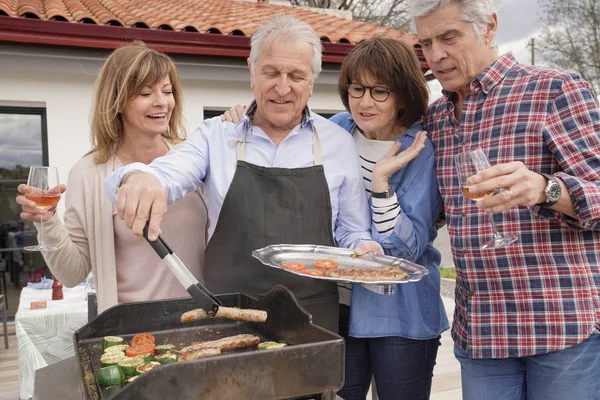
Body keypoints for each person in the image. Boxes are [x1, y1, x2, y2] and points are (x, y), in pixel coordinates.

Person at [103, 15, 380, 334]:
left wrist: (364, 247)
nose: (283, 87)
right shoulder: (215, 136)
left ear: (312, 80)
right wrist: (139, 178)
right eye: (271, 72)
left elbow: (351, 229)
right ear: (252, 71)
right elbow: (170, 172)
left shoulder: (338, 143)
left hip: (314, 320)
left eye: (296, 75)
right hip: (227, 315)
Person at [222, 37, 449, 400]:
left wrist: (381, 185)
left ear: (403, 94)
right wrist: (245, 114)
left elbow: (406, 248)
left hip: (401, 315)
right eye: (356, 89)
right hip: (338, 307)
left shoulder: (420, 149)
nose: (364, 102)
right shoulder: (338, 129)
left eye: (379, 91)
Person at [409, 0, 600, 399]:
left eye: (448, 37)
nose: (436, 54)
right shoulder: (436, 118)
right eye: (426, 42)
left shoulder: (554, 89)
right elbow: (432, 211)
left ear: (490, 26)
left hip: (561, 324)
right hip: (482, 331)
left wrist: (545, 189)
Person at [16, 41, 208, 313]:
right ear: (117, 101)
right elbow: (73, 274)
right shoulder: (88, 174)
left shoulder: (191, 159)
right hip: (134, 334)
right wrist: (47, 223)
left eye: (167, 91)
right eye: (145, 93)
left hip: (205, 322)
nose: (162, 102)